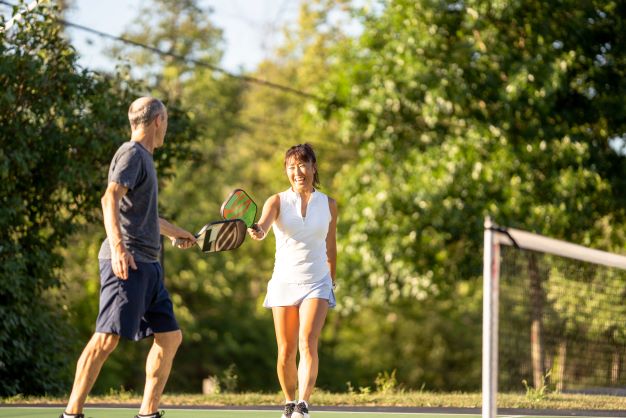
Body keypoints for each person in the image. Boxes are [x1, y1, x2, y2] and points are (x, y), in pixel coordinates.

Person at [60, 97, 197, 418]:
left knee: (170, 336)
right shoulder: (131, 153)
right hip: (128, 262)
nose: (167, 127)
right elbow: (109, 198)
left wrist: (176, 231)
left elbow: (146, 216)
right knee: (106, 339)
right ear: (158, 121)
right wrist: (119, 249)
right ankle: (71, 413)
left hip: (150, 265)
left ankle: (148, 413)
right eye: (166, 121)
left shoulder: (146, 159)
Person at [248, 143, 338, 418]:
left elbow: (331, 246)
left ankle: (303, 404)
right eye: (291, 166)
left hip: (317, 282)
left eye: (301, 165)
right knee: (286, 350)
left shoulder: (329, 204)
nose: (296, 171)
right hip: (284, 282)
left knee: (307, 340)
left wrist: (330, 281)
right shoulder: (276, 201)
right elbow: (263, 226)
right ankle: (289, 402)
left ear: (313, 167)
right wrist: (258, 231)